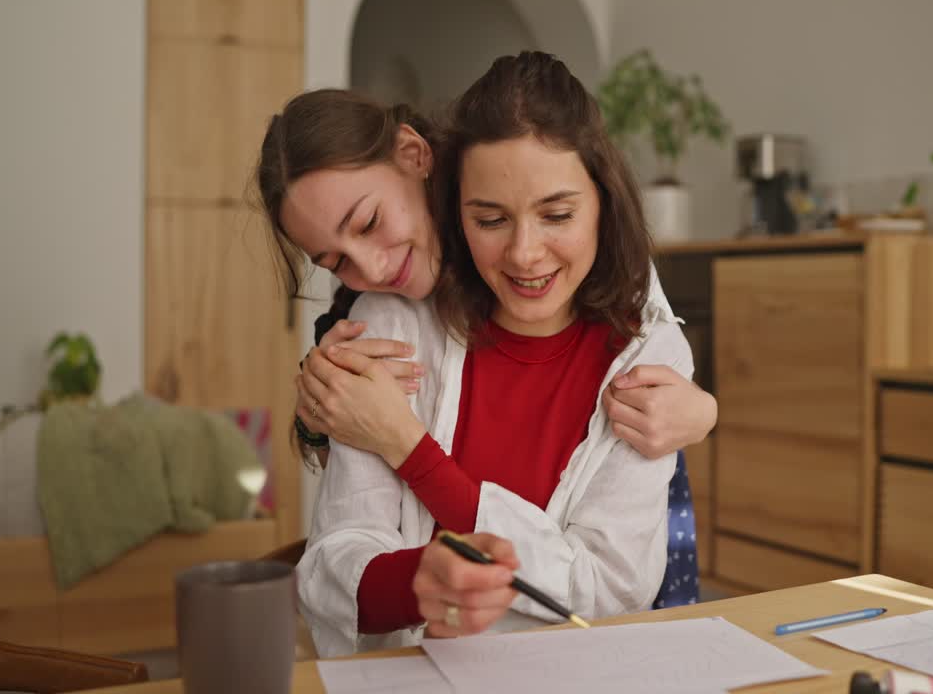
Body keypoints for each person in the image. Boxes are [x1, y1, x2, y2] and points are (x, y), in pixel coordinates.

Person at [255, 52, 703, 656]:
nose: (372, 269)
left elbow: (607, 585)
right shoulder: (381, 319)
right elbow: (334, 559)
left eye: (369, 223)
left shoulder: (636, 337)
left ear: (417, 158)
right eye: (334, 262)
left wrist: (706, 410)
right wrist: (318, 416)